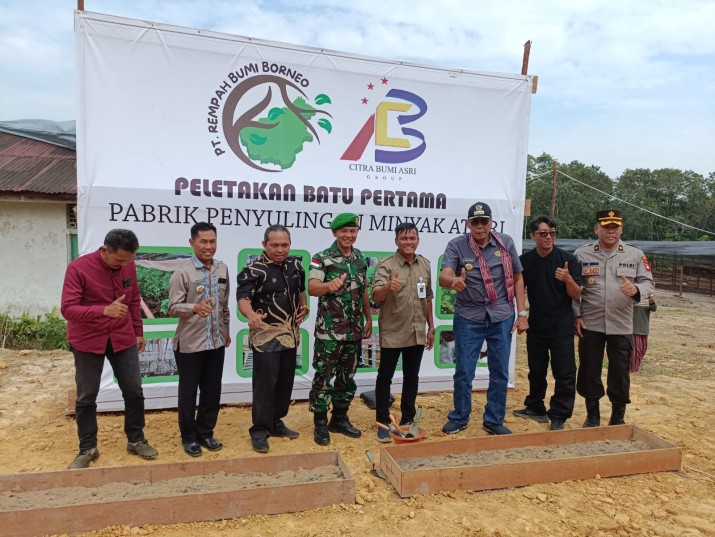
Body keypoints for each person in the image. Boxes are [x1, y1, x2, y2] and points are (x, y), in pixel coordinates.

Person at [61, 229, 158, 469]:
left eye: (128, 260)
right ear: (105, 250)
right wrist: (103, 310)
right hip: (88, 341)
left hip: (122, 337)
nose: (123, 265)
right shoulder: (78, 268)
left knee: (134, 391)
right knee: (86, 396)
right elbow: (68, 309)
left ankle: (136, 440)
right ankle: (87, 448)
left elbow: (133, 300)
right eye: (119, 260)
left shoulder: (128, 265)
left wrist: (138, 331)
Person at [439, 202, 528, 436]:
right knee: (464, 370)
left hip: (501, 315)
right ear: (468, 224)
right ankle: (459, 417)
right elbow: (443, 276)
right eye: (475, 222)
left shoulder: (505, 242)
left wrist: (522, 314)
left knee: (499, 371)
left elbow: (518, 278)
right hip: (469, 316)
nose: (480, 226)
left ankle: (494, 420)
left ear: (491, 223)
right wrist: (453, 281)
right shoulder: (457, 245)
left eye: (484, 221)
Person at [575, 209, 655, 427]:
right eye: (606, 227)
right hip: (591, 322)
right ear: (596, 229)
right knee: (589, 369)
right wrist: (576, 315)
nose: (611, 231)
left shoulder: (635, 254)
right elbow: (573, 288)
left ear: (621, 229)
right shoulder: (582, 254)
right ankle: (592, 415)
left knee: (620, 372)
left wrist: (636, 289)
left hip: (622, 323)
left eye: (615, 227)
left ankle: (617, 417)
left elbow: (649, 282)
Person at [236, 225, 308, 453]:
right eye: (274, 245)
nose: (280, 250)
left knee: (285, 383)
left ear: (290, 245)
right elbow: (243, 299)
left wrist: (304, 306)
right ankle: (259, 430)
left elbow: (301, 290)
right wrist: (251, 316)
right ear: (264, 244)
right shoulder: (252, 270)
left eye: (284, 245)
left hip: (290, 336)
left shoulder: (296, 265)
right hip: (265, 336)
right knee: (265, 385)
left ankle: (276, 422)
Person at [308, 212, 372, 445]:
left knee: (348, 377)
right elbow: (312, 288)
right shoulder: (321, 258)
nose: (348, 235)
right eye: (344, 231)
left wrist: (368, 317)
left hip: (354, 331)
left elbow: (363, 291)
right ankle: (320, 423)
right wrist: (328, 285)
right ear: (335, 232)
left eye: (352, 231)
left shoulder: (359, 258)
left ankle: (339, 418)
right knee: (324, 377)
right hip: (330, 333)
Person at [514, 215, 582, 430]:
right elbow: (519, 288)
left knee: (564, 372)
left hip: (561, 326)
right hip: (536, 325)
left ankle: (559, 414)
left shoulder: (567, 260)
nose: (548, 237)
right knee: (536, 370)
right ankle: (535, 407)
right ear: (532, 236)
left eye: (552, 233)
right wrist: (522, 315)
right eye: (543, 233)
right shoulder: (525, 261)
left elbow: (577, 294)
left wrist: (568, 279)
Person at [168, 222, 231, 457]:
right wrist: (194, 307)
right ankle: (189, 437)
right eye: (203, 241)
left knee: (212, 391)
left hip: (216, 342)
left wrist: (226, 330)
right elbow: (172, 308)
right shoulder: (182, 272)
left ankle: (205, 433)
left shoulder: (222, 269)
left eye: (212, 241)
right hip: (190, 345)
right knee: (188, 393)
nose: (208, 246)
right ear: (192, 243)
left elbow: (224, 305)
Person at [372, 222, 435, 442]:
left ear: (418, 240)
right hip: (393, 331)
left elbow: (427, 298)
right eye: (404, 238)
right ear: (396, 241)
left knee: (411, 377)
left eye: (412, 238)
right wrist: (387, 287)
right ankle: (383, 422)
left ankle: (408, 419)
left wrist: (431, 327)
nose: (408, 242)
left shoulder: (425, 264)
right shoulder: (386, 265)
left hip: (417, 331)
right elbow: (376, 296)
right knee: (385, 378)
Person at [631, 294, 657, 373]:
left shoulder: (648, 295)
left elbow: (654, 308)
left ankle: (635, 367)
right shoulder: (633, 294)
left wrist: (652, 302)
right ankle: (633, 369)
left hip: (644, 328)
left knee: (643, 349)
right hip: (635, 328)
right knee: (637, 350)